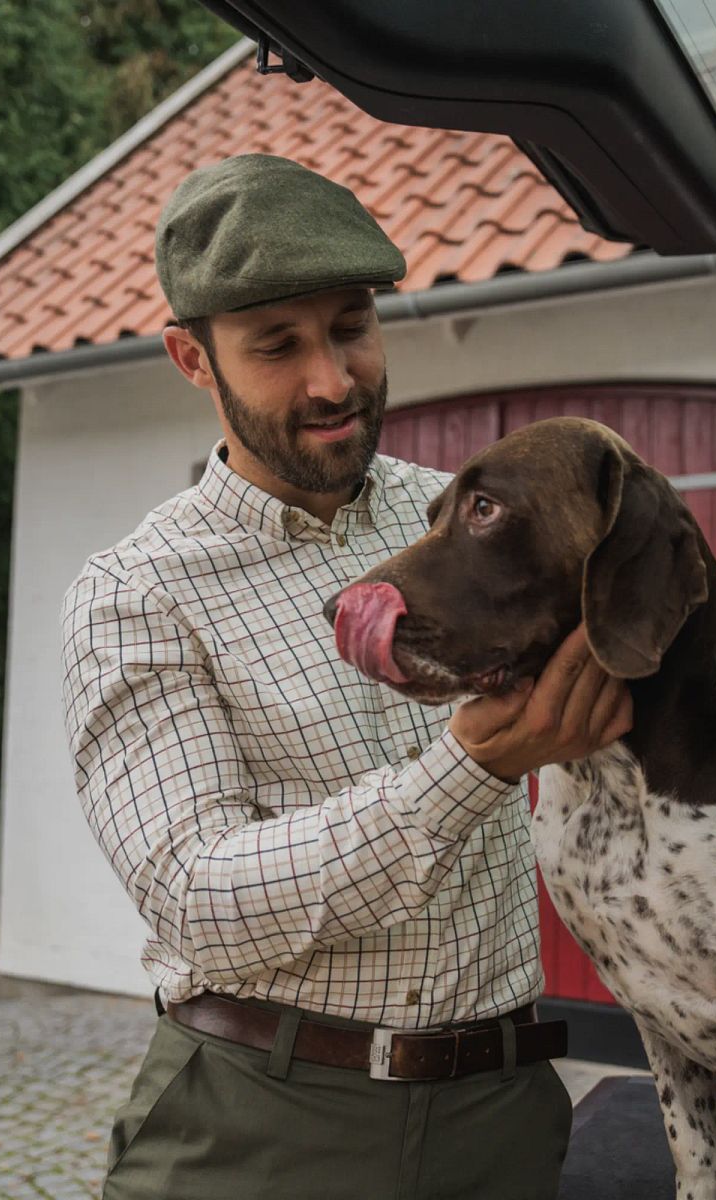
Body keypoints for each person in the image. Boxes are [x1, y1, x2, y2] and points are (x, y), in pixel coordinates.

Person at [59, 153, 633, 1200]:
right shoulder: (136, 594)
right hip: (259, 1126)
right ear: (193, 358)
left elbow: (663, 679)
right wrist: (466, 767)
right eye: (276, 346)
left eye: (351, 327)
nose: (331, 379)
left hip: (501, 1116)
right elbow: (197, 897)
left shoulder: (469, 514)